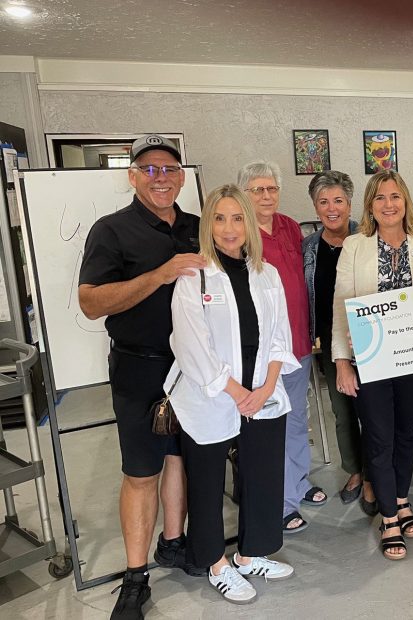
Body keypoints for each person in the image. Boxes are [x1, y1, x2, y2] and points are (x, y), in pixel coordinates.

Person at [78, 134, 205, 620]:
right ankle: (136, 578)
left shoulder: (199, 227)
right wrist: (159, 274)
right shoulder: (111, 230)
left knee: (182, 458)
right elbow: (91, 303)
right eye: (149, 169)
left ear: (182, 177)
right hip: (139, 367)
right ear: (132, 176)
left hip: (193, 367)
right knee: (141, 471)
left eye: (170, 169)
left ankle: (174, 543)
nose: (161, 177)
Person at [167, 185, 298, 604]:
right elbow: (192, 346)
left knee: (263, 476)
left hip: (262, 392)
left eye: (237, 218)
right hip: (213, 396)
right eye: (220, 219)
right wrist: (238, 392)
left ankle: (250, 554)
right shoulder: (194, 277)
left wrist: (266, 387)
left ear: (249, 224)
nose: (229, 228)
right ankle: (216, 564)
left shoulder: (267, 273)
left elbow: (279, 337)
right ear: (208, 224)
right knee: (206, 483)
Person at [332, 170, 413, 560]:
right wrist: (342, 362)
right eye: (380, 197)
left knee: (406, 433)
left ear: (405, 201)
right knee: (379, 436)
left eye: (395, 196)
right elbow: (340, 306)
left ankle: (402, 499)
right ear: (370, 205)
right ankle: (389, 516)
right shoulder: (355, 246)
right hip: (370, 357)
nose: (388, 204)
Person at [237, 161, 326, 535]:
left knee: (297, 418)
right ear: (244, 194)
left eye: (271, 188)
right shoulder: (239, 233)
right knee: (270, 425)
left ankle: (298, 482)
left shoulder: (289, 226)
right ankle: (282, 502)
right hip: (264, 352)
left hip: (298, 343)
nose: (266, 196)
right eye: (258, 189)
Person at [301, 171, 377, 513]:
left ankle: (375, 475)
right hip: (332, 346)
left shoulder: (369, 238)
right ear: (315, 207)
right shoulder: (309, 248)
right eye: (323, 202)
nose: (332, 208)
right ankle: (356, 471)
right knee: (343, 412)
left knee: (375, 414)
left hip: (374, 340)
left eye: (338, 201)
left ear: (350, 203)